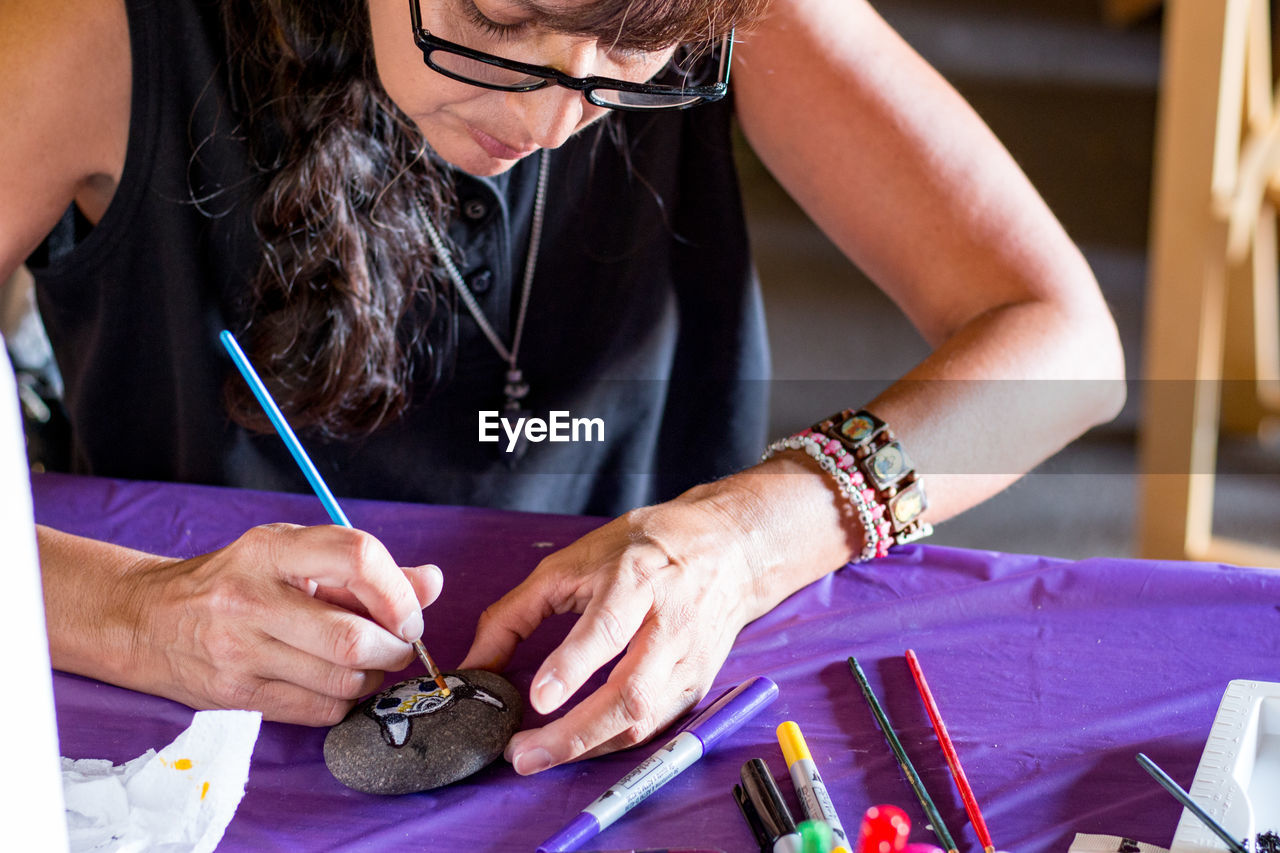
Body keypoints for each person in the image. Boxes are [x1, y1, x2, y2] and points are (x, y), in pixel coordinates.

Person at [1, 0, 1124, 777]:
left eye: (632, 57)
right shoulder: (95, 32)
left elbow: (1063, 348)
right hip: (194, 742)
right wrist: (129, 613)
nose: (547, 121)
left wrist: (749, 537)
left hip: (650, 695)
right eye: (496, 23)